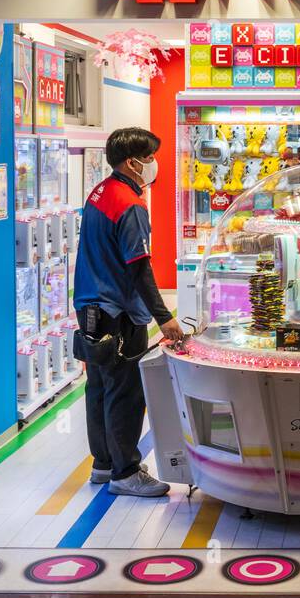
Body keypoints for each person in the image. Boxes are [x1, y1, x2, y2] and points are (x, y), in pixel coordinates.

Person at [72, 127, 185, 497]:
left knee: (100, 388)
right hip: (118, 314)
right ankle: (126, 472)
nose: (154, 164)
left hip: (90, 309)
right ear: (132, 162)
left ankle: (103, 464)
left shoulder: (100, 193)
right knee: (125, 392)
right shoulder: (130, 205)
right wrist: (164, 317)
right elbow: (139, 267)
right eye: (150, 157)